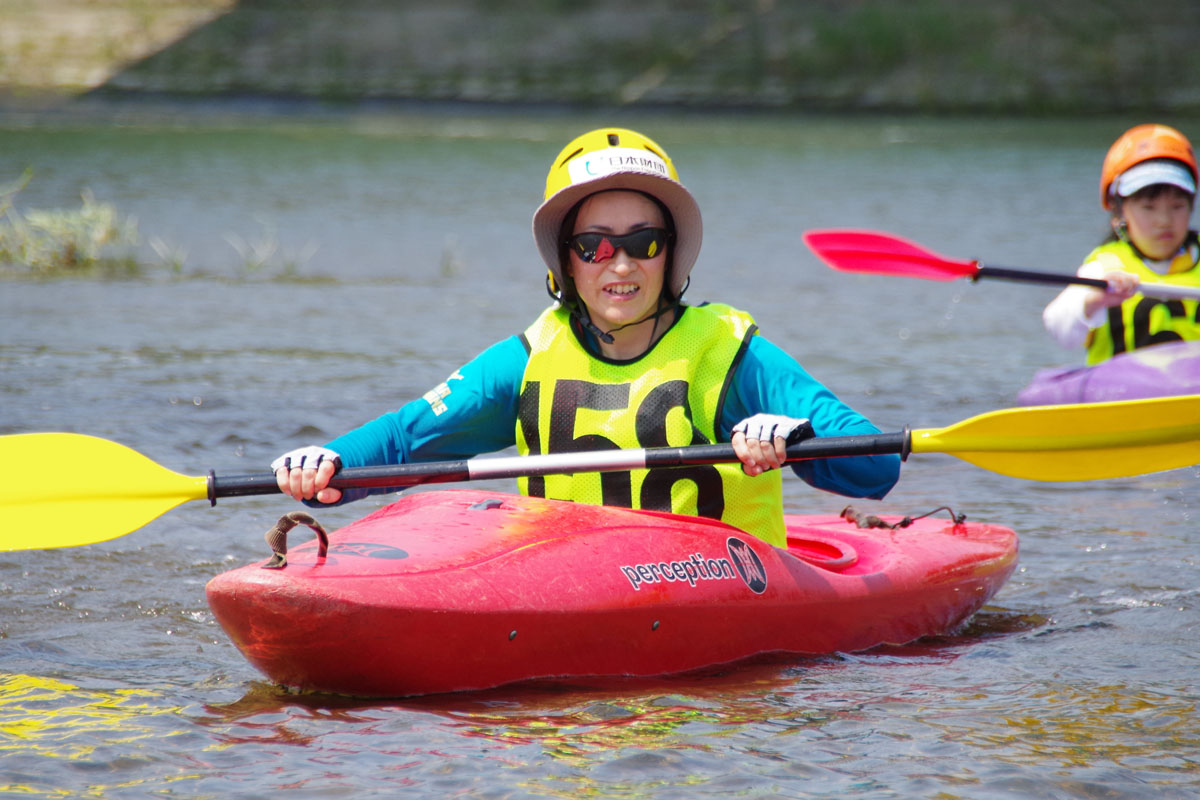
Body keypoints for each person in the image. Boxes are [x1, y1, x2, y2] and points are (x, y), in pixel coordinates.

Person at [272, 127, 900, 547]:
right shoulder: (525, 362)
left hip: (723, 590)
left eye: (641, 244)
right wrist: (326, 465)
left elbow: (873, 467)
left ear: (670, 256)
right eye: (595, 246)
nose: (620, 266)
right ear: (566, 262)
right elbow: (405, 441)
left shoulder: (731, 355)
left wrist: (796, 438)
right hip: (568, 586)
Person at [1043, 123, 1199, 364]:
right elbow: (1059, 328)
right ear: (1119, 211)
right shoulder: (1103, 268)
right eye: (1148, 208)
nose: (1164, 221)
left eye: (1177, 207)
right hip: (1122, 397)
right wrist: (1096, 300)